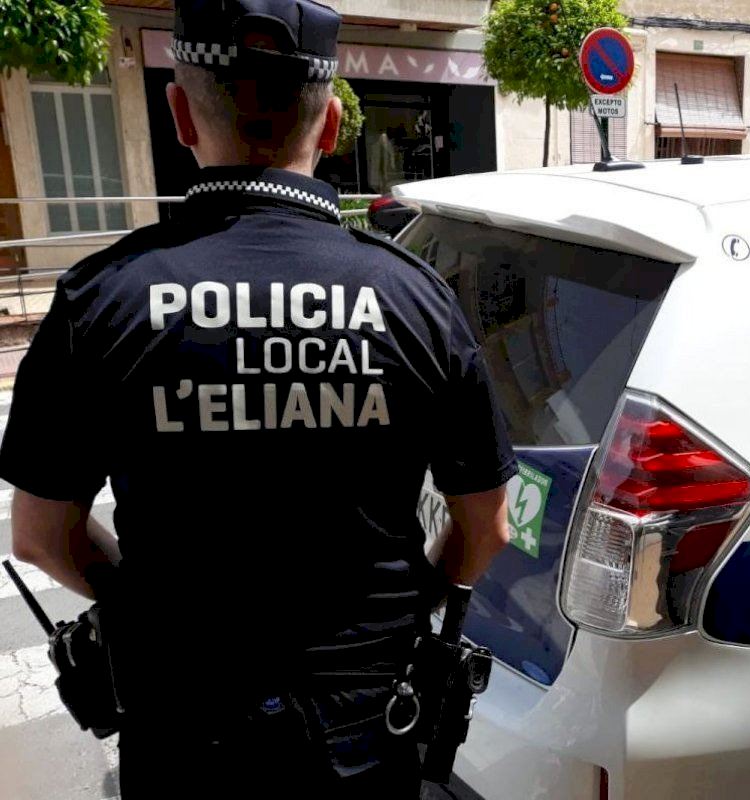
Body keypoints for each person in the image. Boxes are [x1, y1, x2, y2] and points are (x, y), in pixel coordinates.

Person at [3, 1, 515, 797]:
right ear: (333, 124)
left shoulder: (99, 298)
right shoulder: (414, 297)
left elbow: (39, 536)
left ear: (179, 113)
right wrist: (403, 609)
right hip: (367, 731)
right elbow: (487, 526)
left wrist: (142, 604)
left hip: (182, 731)